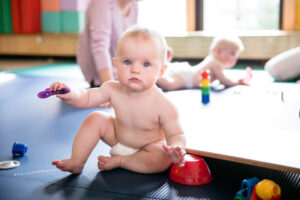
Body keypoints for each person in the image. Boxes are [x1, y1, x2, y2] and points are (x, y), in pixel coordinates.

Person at [50, 26, 186, 174]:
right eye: (127, 62)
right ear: (116, 64)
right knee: (96, 118)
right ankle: (77, 161)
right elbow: (86, 97)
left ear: (161, 71)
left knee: (161, 156)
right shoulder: (112, 88)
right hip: (117, 138)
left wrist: (175, 148)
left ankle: (121, 161)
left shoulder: (164, 105)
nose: (135, 69)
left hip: (147, 149)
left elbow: (176, 134)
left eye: (146, 64)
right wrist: (70, 93)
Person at [77, 0, 138, 88]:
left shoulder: (133, 5)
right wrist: (111, 89)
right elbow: (99, 48)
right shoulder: (102, 2)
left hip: (123, 70)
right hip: (101, 75)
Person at [157, 36, 250, 91]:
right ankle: (154, 76)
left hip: (188, 72)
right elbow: (224, 81)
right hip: (188, 78)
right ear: (218, 52)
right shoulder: (216, 63)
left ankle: (165, 61)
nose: (235, 58)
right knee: (169, 85)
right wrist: (237, 82)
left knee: (167, 72)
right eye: (232, 54)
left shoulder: (213, 60)